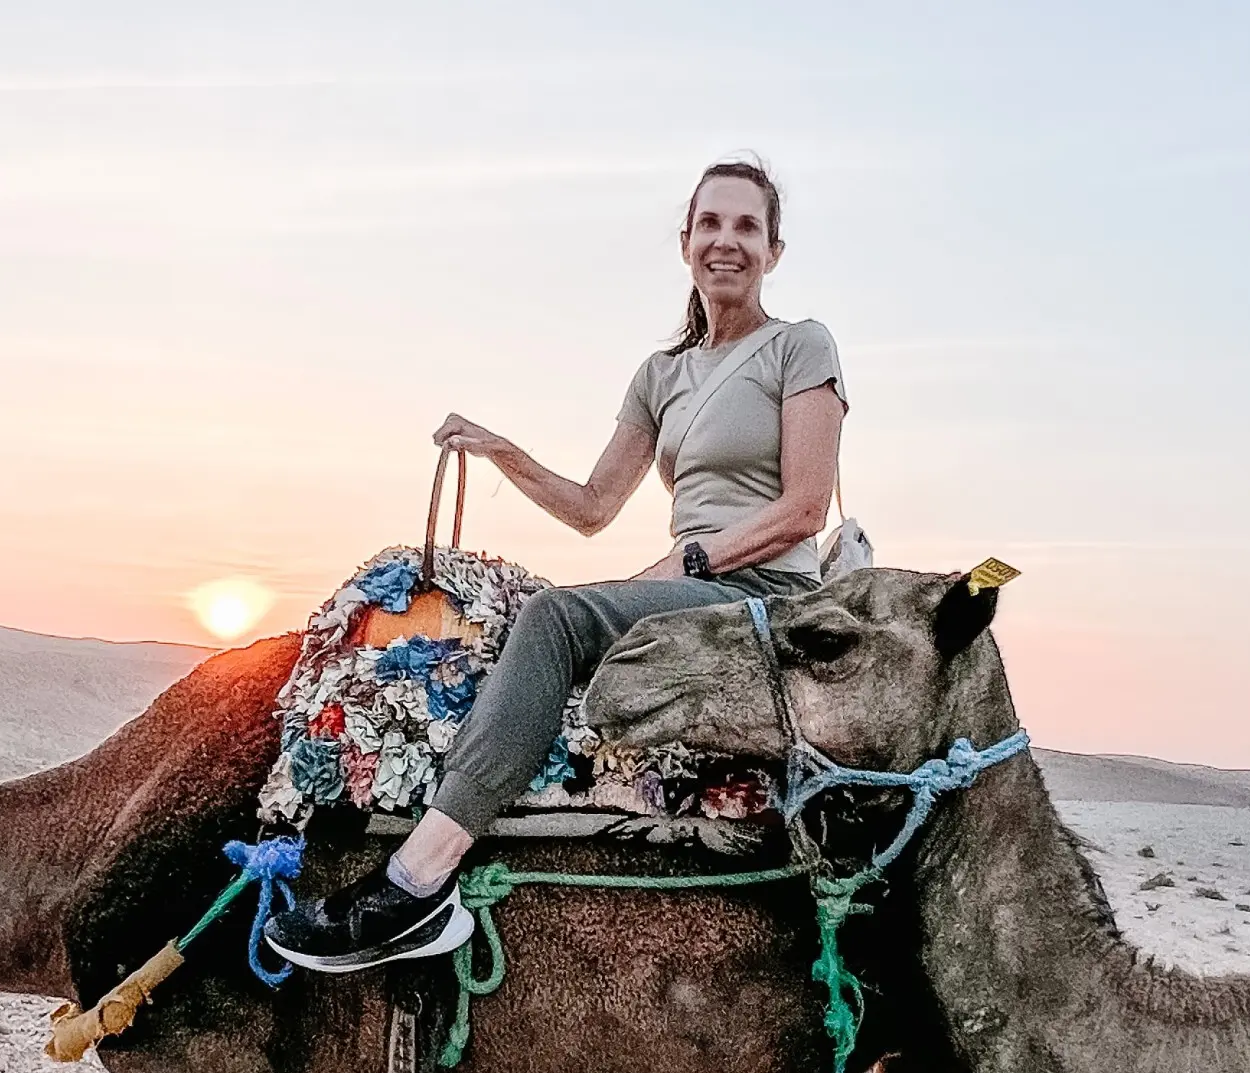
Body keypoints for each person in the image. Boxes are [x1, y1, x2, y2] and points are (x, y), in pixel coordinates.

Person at [265, 158, 846, 973]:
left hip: (765, 592)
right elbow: (592, 507)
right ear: (685, 242)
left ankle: (417, 881)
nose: (727, 241)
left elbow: (806, 508)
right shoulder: (661, 376)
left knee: (558, 618)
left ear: (773, 251)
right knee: (512, 624)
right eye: (710, 224)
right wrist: (502, 451)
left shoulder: (800, 346)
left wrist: (690, 558)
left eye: (747, 226)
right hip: (694, 589)